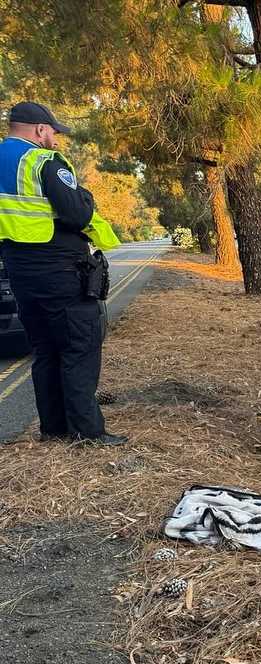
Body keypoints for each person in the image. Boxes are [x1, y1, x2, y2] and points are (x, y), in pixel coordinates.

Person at [0, 102, 123, 445]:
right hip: (59, 268)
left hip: (19, 269)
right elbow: (76, 213)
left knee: (45, 350)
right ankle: (87, 432)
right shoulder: (43, 161)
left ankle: (52, 429)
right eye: (53, 132)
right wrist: (85, 196)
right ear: (40, 129)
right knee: (79, 346)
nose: (54, 139)